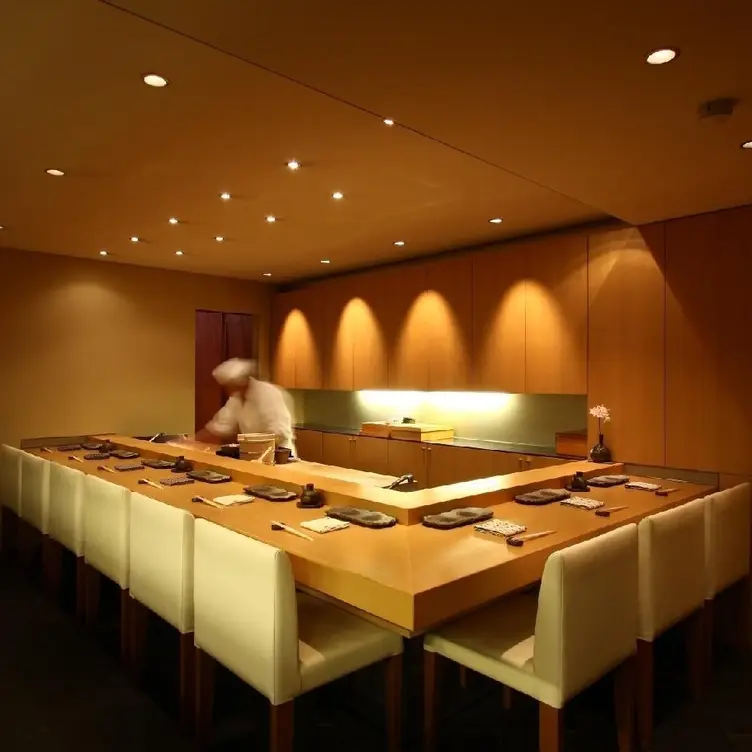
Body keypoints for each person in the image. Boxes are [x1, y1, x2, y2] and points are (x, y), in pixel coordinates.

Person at [194, 358, 296, 456]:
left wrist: (250, 445)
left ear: (245, 381)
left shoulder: (268, 394)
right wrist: (192, 440)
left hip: (279, 455)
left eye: (233, 385)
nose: (229, 390)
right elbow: (220, 426)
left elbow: (279, 433)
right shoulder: (236, 398)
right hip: (252, 454)